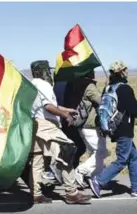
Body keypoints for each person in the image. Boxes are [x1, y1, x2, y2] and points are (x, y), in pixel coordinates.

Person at [28, 60, 92, 205]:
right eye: (47, 70)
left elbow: (47, 105)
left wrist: (66, 109)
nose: (49, 73)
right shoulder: (44, 85)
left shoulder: (31, 85)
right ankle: (71, 192)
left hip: (34, 124)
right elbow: (48, 106)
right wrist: (66, 116)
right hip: (46, 125)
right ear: (43, 71)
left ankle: (36, 194)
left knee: (38, 159)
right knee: (66, 151)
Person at [89, 61, 137, 198]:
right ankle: (99, 180)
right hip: (124, 129)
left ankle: (136, 187)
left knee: (133, 158)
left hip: (114, 128)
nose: (127, 71)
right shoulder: (125, 89)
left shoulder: (108, 88)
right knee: (122, 159)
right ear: (121, 72)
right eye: (125, 69)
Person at [62, 70, 107, 188]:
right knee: (101, 152)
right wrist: (106, 91)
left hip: (82, 124)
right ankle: (80, 171)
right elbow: (101, 101)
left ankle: (95, 178)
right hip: (91, 124)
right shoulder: (89, 86)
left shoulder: (76, 85)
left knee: (94, 152)